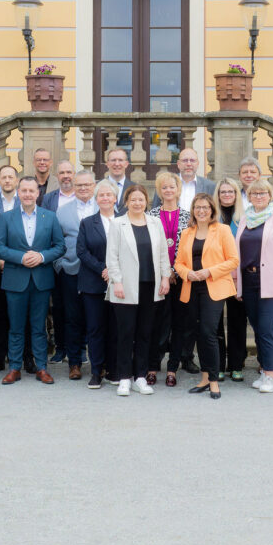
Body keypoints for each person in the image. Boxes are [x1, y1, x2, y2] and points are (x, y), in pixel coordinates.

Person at [0, 176, 66, 385]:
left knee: (39, 327)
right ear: (18, 192)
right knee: (15, 326)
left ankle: (41, 367)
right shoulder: (7, 218)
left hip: (41, 280)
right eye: (23, 190)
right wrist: (20, 257)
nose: (27, 194)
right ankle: (14, 367)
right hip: (15, 279)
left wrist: (41, 256)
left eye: (31, 191)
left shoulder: (49, 217)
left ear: (37, 193)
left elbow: (60, 246)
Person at [106, 184, 171, 396]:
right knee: (125, 334)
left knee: (145, 333)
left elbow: (163, 254)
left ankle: (140, 377)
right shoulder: (118, 224)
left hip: (150, 287)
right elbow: (112, 256)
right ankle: (124, 377)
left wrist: (165, 277)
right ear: (126, 202)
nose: (137, 203)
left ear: (146, 202)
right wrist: (116, 281)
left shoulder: (155, 223)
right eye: (133, 199)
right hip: (125, 287)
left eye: (141, 199)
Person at [234, 179, 273, 394]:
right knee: (257, 328)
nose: (259, 196)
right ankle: (263, 372)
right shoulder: (245, 219)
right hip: (249, 280)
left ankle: (270, 374)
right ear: (249, 196)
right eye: (255, 193)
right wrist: (236, 280)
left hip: (272, 281)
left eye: (263, 193)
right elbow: (238, 251)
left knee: (266, 327)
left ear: (270, 196)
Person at [174, 193, 237, 400]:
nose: (201, 211)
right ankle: (203, 378)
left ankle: (213, 381)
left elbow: (233, 260)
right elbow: (178, 263)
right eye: (197, 207)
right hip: (192, 287)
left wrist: (209, 271)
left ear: (212, 210)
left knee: (209, 332)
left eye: (205, 207)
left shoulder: (223, 230)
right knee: (198, 332)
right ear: (193, 210)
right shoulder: (187, 233)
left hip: (214, 287)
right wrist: (186, 273)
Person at [149, 170, 193, 386]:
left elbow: (188, 248)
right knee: (157, 323)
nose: (168, 190)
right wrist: (165, 273)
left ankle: (173, 367)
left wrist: (175, 271)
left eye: (172, 187)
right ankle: (153, 365)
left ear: (178, 190)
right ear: (160, 191)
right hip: (157, 278)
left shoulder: (188, 216)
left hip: (181, 278)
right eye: (164, 187)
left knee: (179, 323)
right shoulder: (151, 215)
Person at [0, 164, 27, 374]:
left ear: (16, 180)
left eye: (11, 177)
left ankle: (26, 358)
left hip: (22, 269)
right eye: (4, 177)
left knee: (23, 316)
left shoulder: (25, 202)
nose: (7, 180)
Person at [76, 179, 120, 389]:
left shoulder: (124, 220)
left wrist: (113, 271)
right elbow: (82, 251)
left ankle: (113, 369)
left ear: (115, 198)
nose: (104, 198)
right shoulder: (87, 222)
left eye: (108, 195)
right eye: (101, 195)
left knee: (115, 328)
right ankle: (96, 371)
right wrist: (103, 269)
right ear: (96, 199)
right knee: (95, 328)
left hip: (119, 284)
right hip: (93, 284)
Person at [54, 170, 95, 380]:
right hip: (70, 270)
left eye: (87, 185)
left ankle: (98, 362)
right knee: (72, 318)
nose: (83, 188)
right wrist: (60, 263)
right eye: (79, 185)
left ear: (94, 186)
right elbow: (56, 240)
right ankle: (75, 362)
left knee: (95, 317)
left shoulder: (103, 206)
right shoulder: (63, 211)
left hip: (97, 272)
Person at [44, 160, 76, 363]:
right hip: (58, 263)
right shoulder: (49, 199)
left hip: (83, 263)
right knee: (60, 307)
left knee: (78, 309)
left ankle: (79, 348)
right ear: (57, 175)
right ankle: (61, 348)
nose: (66, 176)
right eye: (62, 172)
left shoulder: (86, 197)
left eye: (69, 172)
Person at [216, 177, 245, 381]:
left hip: (238, 278)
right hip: (216, 277)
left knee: (237, 323)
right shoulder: (211, 217)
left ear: (236, 194)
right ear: (217, 195)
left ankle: (236, 365)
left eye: (231, 191)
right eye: (223, 192)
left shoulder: (245, 217)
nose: (227, 195)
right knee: (215, 323)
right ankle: (218, 365)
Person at [152, 146, 215, 211]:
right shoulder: (164, 184)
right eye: (185, 160)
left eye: (192, 160)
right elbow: (154, 212)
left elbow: (216, 213)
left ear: (197, 163)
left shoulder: (210, 186)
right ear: (178, 164)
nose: (188, 164)